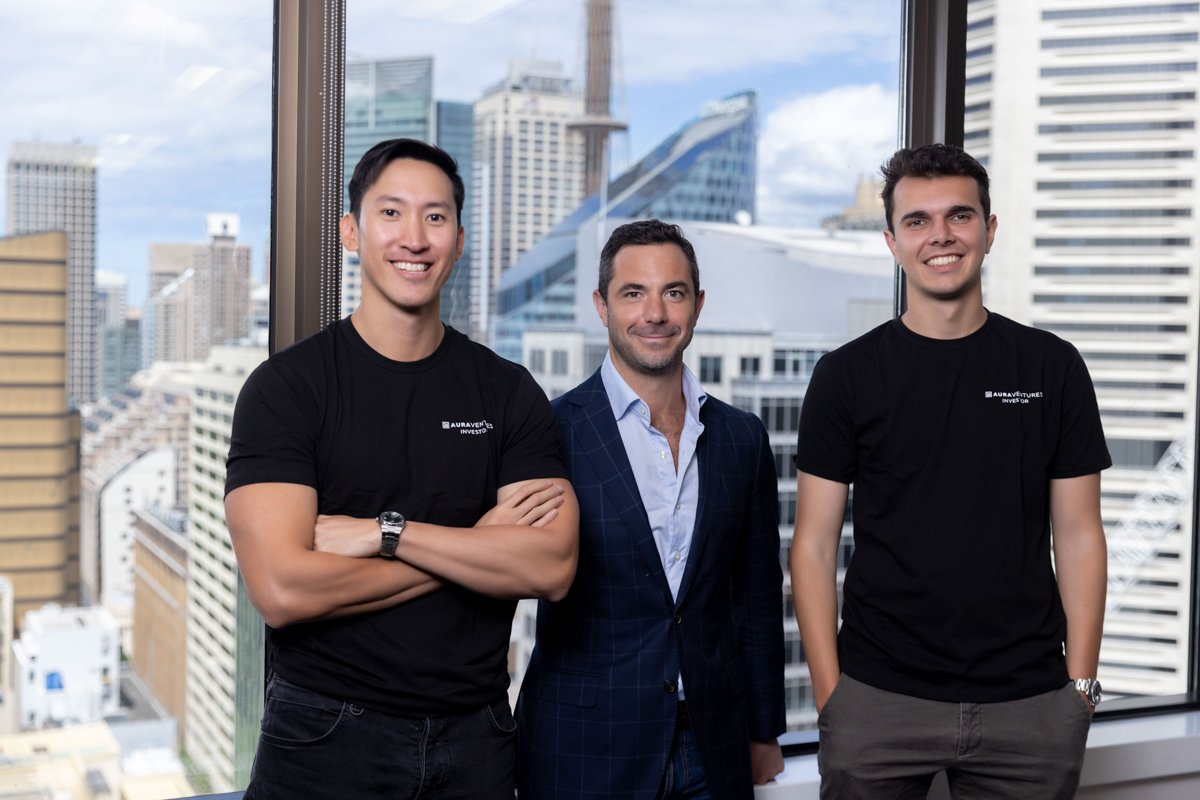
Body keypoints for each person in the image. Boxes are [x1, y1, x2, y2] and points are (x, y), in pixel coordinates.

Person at [225, 138, 580, 799]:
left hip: (478, 740)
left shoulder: (507, 393)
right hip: (325, 735)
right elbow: (282, 590)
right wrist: (477, 541)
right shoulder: (287, 389)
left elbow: (551, 569)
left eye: (435, 217)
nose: (413, 238)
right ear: (351, 232)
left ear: (461, 239)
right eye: (391, 213)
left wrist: (385, 532)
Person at [790, 143, 1109, 799]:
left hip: (1030, 704)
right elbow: (814, 546)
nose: (940, 236)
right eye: (918, 221)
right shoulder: (846, 376)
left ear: (988, 232)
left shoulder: (1052, 367)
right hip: (878, 700)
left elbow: (1079, 535)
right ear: (892, 240)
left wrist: (1078, 689)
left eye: (959, 217)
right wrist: (833, 697)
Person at [518, 219, 786, 800]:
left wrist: (765, 728)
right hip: (583, 743)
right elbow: (502, 573)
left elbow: (758, 595)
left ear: (697, 304)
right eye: (633, 293)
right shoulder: (550, 431)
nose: (655, 313)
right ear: (601, 305)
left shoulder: (742, 437)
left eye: (674, 292)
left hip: (712, 745)